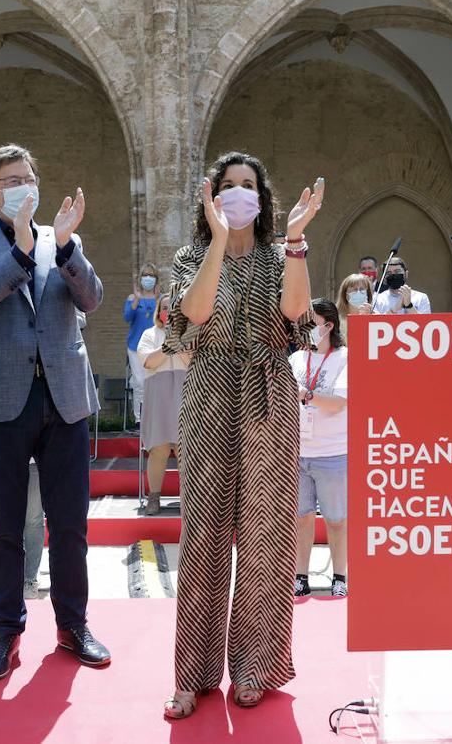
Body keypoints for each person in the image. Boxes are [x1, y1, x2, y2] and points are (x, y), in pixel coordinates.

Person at [162, 151, 323, 719]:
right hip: (208, 395)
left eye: (247, 185)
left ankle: (255, 667)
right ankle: (192, 675)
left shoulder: (282, 255)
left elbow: (297, 313)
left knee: (264, 538)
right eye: (227, 186)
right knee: (202, 537)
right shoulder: (190, 255)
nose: (237, 193)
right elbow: (195, 314)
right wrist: (215, 238)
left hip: (269, 395)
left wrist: (298, 240)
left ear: (263, 195)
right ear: (211, 196)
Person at [0, 143, 108, 682]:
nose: (21, 186)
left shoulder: (61, 238)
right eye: (9, 179)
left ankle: (73, 624)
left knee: (70, 523)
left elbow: (91, 299)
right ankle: (6, 631)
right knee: (2, 527)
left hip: (63, 396)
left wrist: (66, 249)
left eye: (28, 176)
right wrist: (19, 254)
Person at [288, 298, 349, 598]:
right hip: (298, 453)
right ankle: (301, 576)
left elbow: (339, 403)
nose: (308, 328)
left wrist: (306, 395)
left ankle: (340, 576)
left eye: (313, 323)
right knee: (302, 518)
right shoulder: (297, 359)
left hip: (333, 453)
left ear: (329, 325)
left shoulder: (345, 358)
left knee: (336, 520)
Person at [136, 294, 188, 515]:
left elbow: (191, 360)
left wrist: (179, 339)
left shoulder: (189, 334)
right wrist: (168, 346)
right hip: (159, 396)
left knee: (185, 449)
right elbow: (148, 361)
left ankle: (189, 500)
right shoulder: (149, 334)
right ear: (159, 311)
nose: (168, 311)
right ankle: (154, 497)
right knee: (159, 448)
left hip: (185, 396)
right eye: (164, 307)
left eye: (172, 307)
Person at [124, 263, 160, 423]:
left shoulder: (161, 298)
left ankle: (154, 415)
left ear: (156, 279)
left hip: (155, 347)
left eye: (151, 275)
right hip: (135, 346)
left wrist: (159, 300)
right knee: (139, 382)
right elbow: (127, 318)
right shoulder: (132, 298)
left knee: (154, 381)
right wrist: (136, 300)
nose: (148, 278)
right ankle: (140, 418)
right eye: (145, 275)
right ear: (140, 278)